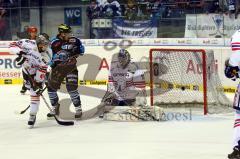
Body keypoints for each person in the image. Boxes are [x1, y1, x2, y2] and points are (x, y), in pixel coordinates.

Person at [9, 34, 50, 128]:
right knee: (30, 89)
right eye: (44, 44)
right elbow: (12, 45)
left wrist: (38, 84)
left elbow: (42, 69)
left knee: (35, 94)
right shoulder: (27, 43)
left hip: (36, 74)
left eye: (46, 44)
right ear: (39, 44)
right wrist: (19, 53)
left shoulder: (46, 55)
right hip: (26, 72)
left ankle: (32, 115)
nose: (46, 46)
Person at [47, 24, 85, 119]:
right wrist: (52, 63)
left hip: (70, 67)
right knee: (51, 89)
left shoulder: (74, 40)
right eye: (68, 33)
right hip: (57, 69)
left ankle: (78, 109)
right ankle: (55, 108)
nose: (70, 34)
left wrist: (77, 50)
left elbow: (82, 50)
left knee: (71, 88)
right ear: (62, 33)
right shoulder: (53, 42)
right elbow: (49, 56)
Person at [225, 29, 240, 159]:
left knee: (239, 118)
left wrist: (231, 68)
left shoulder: (238, 35)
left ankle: (238, 148)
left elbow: (233, 66)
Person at [19, 26, 38, 94]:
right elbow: (21, 49)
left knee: (34, 76)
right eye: (32, 32)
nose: (34, 34)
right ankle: (24, 86)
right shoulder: (25, 40)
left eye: (35, 32)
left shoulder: (38, 40)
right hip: (27, 60)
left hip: (35, 60)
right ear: (29, 33)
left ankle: (35, 86)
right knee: (26, 75)